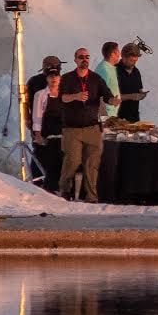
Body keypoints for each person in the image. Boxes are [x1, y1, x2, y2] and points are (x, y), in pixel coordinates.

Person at [58, 47, 118, 203]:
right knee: (73, 161)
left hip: (92, 128)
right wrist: (76, 96)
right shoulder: (67, 78)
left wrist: (113, 100)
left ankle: (91, 196)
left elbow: (107, 96)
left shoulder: (96, 79)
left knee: (92, 164)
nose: (84, 59)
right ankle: (65, 190)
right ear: (75, 60)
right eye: (81, 57)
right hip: (72, 129)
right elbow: (62, 98)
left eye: (87, 57)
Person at [30, 61, 64, 192]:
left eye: (56, 76)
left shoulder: (65, 95)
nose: (53, 79)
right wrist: (37, 135)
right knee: (48, 158)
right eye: (51, 77)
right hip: (47, 133)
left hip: (62, 133)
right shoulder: (40, 95)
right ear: (47, 79)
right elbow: (37, 116)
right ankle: (47, 188)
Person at [115, 42, 147, 122]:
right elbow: (109, 97)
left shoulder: (136, 71)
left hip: (134, 118)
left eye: (136, 60)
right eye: (131, 60)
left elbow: (139, 90)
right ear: (123, 57)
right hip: (117, 118)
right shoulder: (113, 71)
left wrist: (141, 95)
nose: (134, 63)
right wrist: (132, 96)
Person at [94, 41, 122, 119]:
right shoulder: (103, 69)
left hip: (112, 113)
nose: (120, 54)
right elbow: (98, 93)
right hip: (105, 115)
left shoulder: (110, 68)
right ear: (112, 54)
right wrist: (104, 116)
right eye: (118, 52)